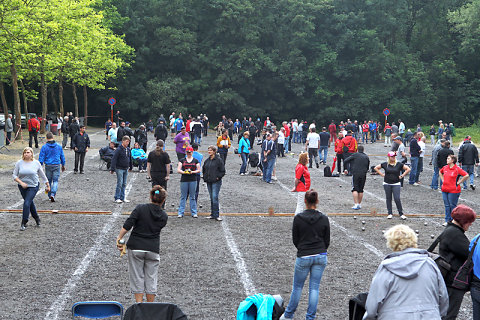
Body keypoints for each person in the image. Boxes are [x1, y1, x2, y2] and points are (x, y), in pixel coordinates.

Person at [363, 224, 448, 319]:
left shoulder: (386, 267)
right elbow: (443, 296)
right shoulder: (430, 264)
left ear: (391, 243)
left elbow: (373, 304)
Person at [280, 190, 329, 320]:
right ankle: (310, 317)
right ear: (317, 201)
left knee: (297, 287)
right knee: (314, 288)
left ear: (305, 201)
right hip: (320, 255)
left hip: (304, 255)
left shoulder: (298, 218)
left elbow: (295, 239)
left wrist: (302, 249)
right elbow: (327, 239)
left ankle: (288, 315)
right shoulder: (324, 218)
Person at [116, 185, 168, 303]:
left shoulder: (140, 208)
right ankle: (150, 307)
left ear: (151, 196)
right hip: (153, 249)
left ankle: (139, 304)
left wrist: (120, 237)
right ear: (163, 200)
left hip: (136, 247)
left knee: (137, 277)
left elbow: (128, 224)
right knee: (151, 278)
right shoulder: (164, 216)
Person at [438, 205, 476, 319]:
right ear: (463, 221)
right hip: (453, 282)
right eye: (469, 221)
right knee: (449, 314)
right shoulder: (454, 234)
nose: (470, 224)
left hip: (448, 279)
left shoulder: (451, 230)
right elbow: (471, 255)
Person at [13, 147, 50, 230]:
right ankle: (37, 218)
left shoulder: (36, 163)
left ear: (32, 154)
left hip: (33, 186)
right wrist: (21, 183)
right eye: (25, 152)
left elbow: (42, 175)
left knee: (26, 203)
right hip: (22, 186)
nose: (26, 154)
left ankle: (24, 222)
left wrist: (47, 185)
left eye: (28, 152)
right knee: (29, 202)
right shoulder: (19, 163)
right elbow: (14, 175)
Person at [374, 151, 411, 220]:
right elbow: (376, 168)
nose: (393, 157)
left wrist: (402, 175)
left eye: (394, 156)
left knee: (397, 198)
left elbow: (408, 169)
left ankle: (401, 213)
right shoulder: (385, 164)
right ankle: (390, 213)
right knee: (388, 198)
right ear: (389, 157)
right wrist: (381, 174)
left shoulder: (399, 164)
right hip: (387, 183)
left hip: (396, 183)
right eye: (392, 156)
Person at [440, 155, 469, 226]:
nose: (447, 159)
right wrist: (443, 180)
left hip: (453, 191)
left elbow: (466, 175)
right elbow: (440, 172)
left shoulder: (457, 169)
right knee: (447, 206)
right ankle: (447, 220)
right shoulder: (445, 167)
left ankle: (453, 220)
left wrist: (459, 182)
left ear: (452, 160)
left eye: (448, 158)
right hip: (444, 189)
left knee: (452, 206)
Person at [38, 132, 65, 202]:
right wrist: (63, 165)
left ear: (46, 138)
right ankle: (53, 193)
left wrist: (39, 165)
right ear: (53, 137)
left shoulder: (44, 147)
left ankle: (49, 195)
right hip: (56, 165)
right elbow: (62, 156)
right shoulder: (59, 146)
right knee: (55, 181)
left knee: (48, 181)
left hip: (48, 165)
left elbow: (41, 157)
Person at [202, 145, 225, 221]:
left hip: (216, 181)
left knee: (215, 197)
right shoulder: (207, 160)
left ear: (214, 151)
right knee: (212, 197)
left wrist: (218, 177)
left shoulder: (219, 160)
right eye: (208, 150)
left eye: (211, 150)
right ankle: (213, 214)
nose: (209, 152)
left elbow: (223, 171)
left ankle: (216, 214)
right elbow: (204, 169)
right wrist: (205, 177)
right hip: (209, 181)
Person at [343, 145, 370, 210]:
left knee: (355, 188)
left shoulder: (355, 155)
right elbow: (368, 166)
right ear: (363, 150)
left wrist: (346, 168)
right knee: (361, 189)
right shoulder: (366, 157)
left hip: (356, 173)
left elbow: (345, 160)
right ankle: (359, 204)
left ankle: (356, 204)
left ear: (357, 150)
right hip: (363, 174)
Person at [177, 146, 200, 218]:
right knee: (183, 196)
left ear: (192, 152)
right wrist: (184, 172)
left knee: (192, 196)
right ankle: (181, 212)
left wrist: (192, 172)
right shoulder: (182, 160)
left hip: (193, 179)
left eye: (190, 152)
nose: (189, 153)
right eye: (187, 152)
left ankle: (194, 212)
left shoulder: (195, 160)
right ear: (186, 152)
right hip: (184, 180)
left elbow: (199, 170)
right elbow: (178, 169)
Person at [111, 136, 133, 203]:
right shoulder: (118, 149)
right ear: (123, 141)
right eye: (126, 141)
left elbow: (130, 158)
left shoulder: (128, 149)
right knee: (120, 183)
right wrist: (112, 168)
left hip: (126, 168)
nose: (127, 143)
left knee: (124, 183)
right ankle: (117, 197)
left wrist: (131, 166)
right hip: (119, 168)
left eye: (128, 142)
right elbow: (114, 159)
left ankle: (122, 197)